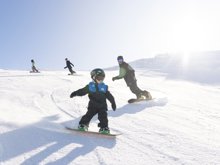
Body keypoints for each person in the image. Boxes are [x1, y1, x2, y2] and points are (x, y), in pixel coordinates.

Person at [70, 68, 116, 134]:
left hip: (102, 106)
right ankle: (83, 125)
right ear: (94, 77)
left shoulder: (104, 87)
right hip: (93, 105)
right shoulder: (90, 86)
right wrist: (75, 93)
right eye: (99, 78)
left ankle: (104, 128)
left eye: (102, 78)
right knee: (88, 115)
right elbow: (82, 91)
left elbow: (109, 96)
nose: (101, 80)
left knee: (103, 117)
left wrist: (113, 102)